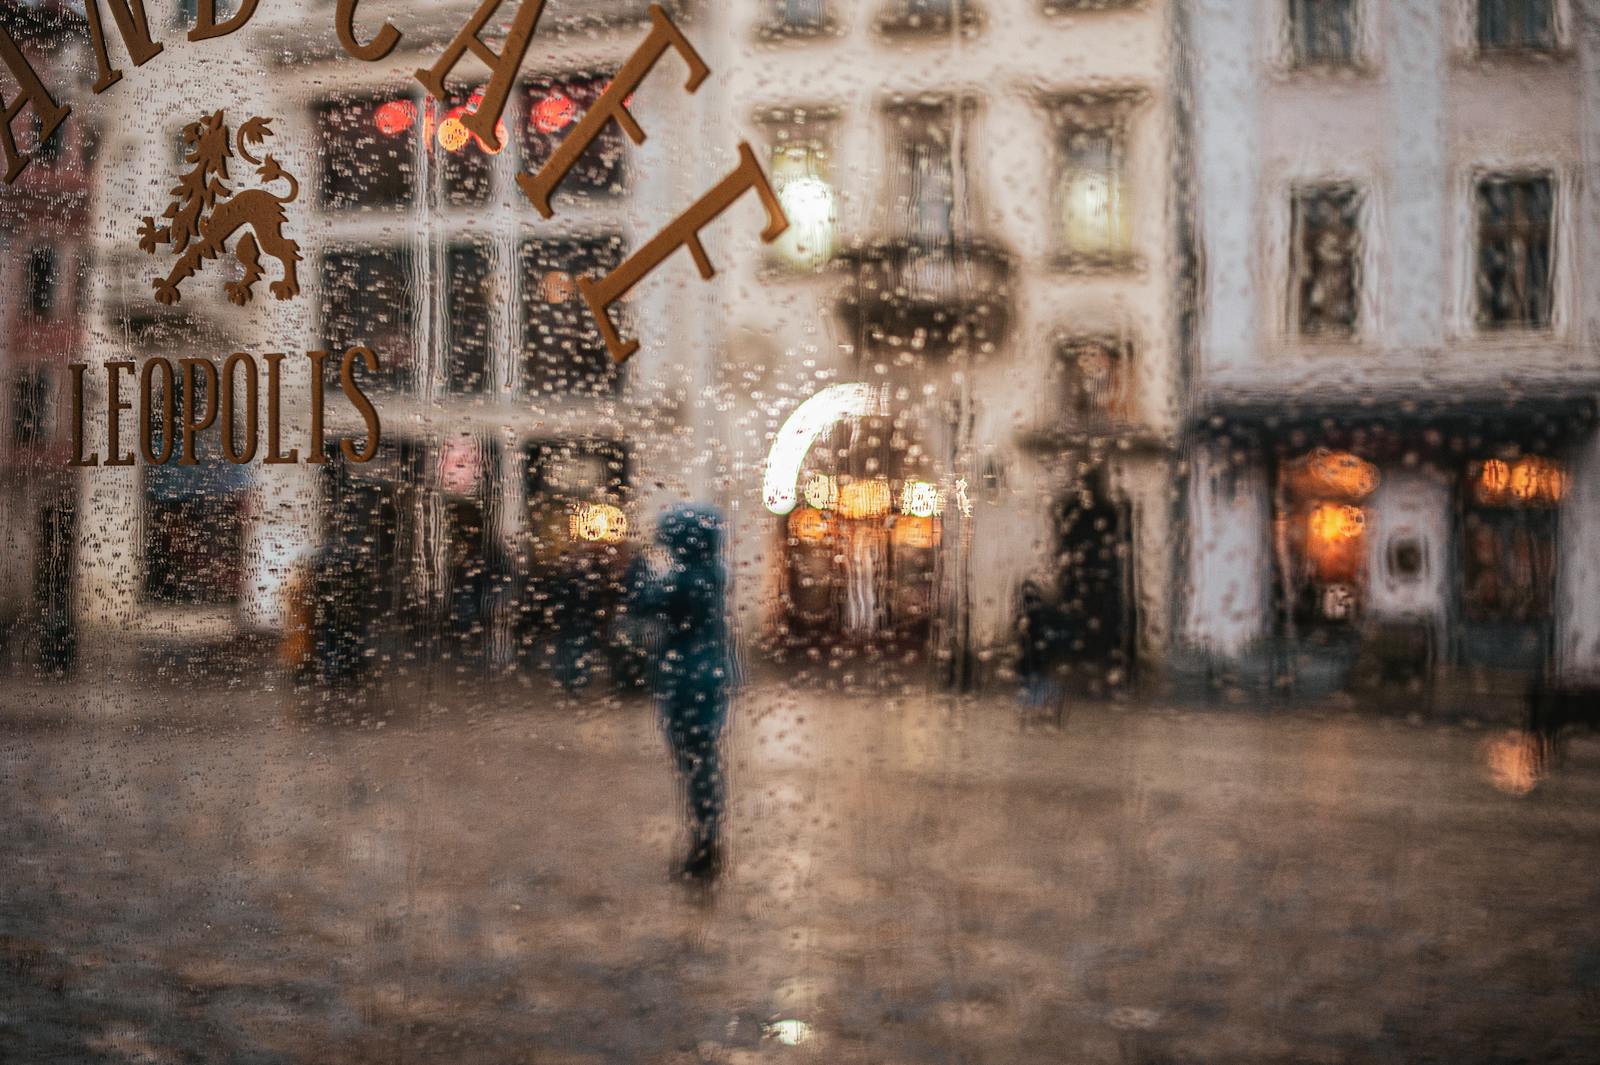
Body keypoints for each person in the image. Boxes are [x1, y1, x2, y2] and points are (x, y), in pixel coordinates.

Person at [628, 504, 733, 881]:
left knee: (696, 764)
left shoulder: (689, 580)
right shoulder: (712, 574)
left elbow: (641, 603)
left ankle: (705, 845)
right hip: (708, 677)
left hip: (689, 681)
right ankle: (707, 839)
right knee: (702, 763)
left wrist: (636, 564)